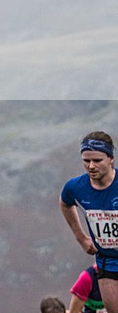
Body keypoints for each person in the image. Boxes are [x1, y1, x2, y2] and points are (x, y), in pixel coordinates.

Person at [61, 131, 118, 312]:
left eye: (97, 160)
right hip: (107, 260)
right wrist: (82, 238)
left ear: (111, 159)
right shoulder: (75, 187)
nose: (91, 166)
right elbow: (65, 203)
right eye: (86, 160)